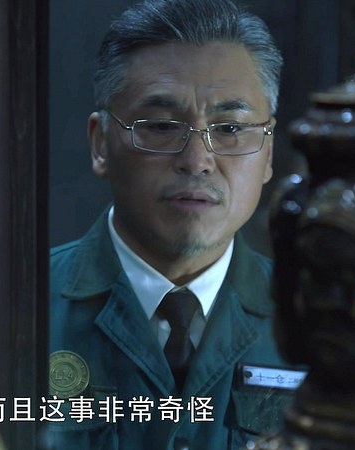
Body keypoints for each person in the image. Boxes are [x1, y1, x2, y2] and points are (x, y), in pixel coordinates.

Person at [47, 0, 300, 448]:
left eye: (230, 129)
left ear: (268, 154)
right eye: (161, 126)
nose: (197, 160)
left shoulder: (315, 324)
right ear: (100, 144)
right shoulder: (22, 308)